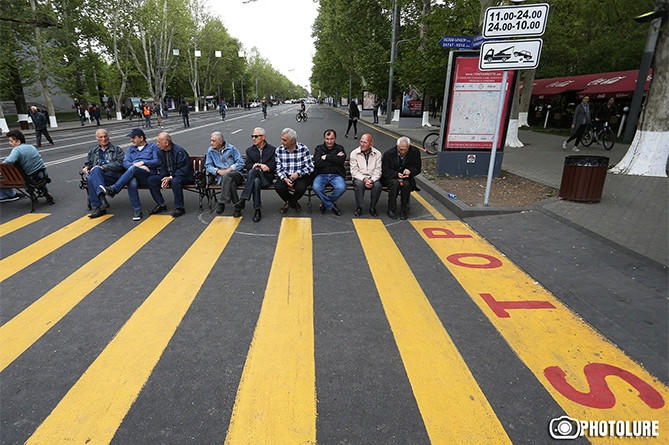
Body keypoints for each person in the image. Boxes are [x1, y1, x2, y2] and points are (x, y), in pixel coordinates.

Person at [99, 128, 160, 221]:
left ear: (141, 138)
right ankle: (137, 211)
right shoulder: (131, 149)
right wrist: (136, 165)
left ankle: (114, 189)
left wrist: (143, 162)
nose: (131, 140)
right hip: (133, 174)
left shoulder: (153, 147)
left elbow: (157, 161)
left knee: (133, 169)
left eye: (133, 138)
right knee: (132, 181)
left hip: (147, 175)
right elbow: (125, 163)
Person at [233, 127, 276, 222]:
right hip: (256, 178)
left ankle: (243, 199)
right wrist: (254, 166)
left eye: (256, 136)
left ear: (263, 137)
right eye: (252, 136)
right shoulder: (249, 150)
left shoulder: (272, 149)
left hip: (266, 179)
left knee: (253, 173)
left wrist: (266, 166)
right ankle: (257, 210)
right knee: (256, 181)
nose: (253, 138)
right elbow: (248, 165)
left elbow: (274, 165)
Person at [147, 132, 195, 217]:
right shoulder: (160, 152)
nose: (157, 144)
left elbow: (185, 169)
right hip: (169, 176)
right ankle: (161, 204)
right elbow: (162, 167)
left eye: (159, 142)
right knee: (151, 180)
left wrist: (170, 177)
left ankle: (180, 208)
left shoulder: (179, 151)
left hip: (184, 176)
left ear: (166, 143)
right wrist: (164, 177)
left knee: (175, 181)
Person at [82, 129, 125, 218]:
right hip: (99, 177)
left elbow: (121, 164)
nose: (104, 139)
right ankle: (101, 199)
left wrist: (104, 167)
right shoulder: (93, 151)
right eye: (101, 137)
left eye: (105, 136)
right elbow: (88, 164)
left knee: (93, 174)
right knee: (91, 177)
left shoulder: (116, 149)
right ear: (97, 138)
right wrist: (86, 168)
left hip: (113, 176)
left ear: (108, 137)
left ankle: (99, 206)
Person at [2, 129, 53, 204]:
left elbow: (7, 162)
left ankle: (4, 196)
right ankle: (45, 192)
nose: (10, 143)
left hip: (30, 179)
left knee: (2, 177)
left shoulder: (17, 150)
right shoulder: (31, 147)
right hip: (43, 174)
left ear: (18, 141)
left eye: (11, 141)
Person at [274, 127, 313, 214]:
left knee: (301, 188)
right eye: (282, 139)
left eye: (284, 140)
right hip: (286, 175)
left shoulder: (303, 148)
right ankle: (294, 202)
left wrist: (298, 173)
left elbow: (310, 167)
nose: (282, 142)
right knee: (279, 187)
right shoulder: (279, 150)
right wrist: (284, 178)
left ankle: (290, 203)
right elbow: (279, 168)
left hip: (299, 176)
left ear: (292, 141)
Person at [382, 136, 421, 220]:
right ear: (397, 146)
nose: (402, 152)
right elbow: (385, 170)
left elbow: (417, 168)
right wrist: (396, 174)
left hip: (407, 177)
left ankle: (404, 210)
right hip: (391, 177)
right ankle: (391, 209)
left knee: (406, 185)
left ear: (409, 147)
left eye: (405, 150)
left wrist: (410, 171)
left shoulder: (415, 152)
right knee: (394, 184)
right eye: (400, 149)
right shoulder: (388, 154)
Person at [205, 131, 244, 214]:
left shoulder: (232, 148)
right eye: (211, 140)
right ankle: (237, 208)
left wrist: (229, 169)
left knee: (227, 176)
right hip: (222, 178)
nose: (211, 143)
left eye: (213, 141)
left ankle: (222, 202)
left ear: (220, 141)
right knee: (230, 183)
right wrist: (217, 171)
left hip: (236, 175)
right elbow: (208, 165)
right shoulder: (210, 151)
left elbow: (241, 163)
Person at [312, 129, 346, 216]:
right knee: (316, 188)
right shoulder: (319, 148)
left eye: (331, 139)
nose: (329, 141)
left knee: (341, 188)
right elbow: (318, 163)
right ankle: (331, 205)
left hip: (336, 175)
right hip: (321, 175)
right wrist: (334, 158)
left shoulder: (340, 148)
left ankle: (325, 203)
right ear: (324, 139)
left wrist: (326, 157)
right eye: (327, 139)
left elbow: (341, 161)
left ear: (335, 139)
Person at [350, 133, 382, 217]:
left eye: (365, 142)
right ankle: (359, 208)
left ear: (371, 144)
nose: (362, 144)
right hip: (359, 178)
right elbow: (354, 171)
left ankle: (372, 208)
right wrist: (364, 179)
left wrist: (371, 180)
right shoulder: (354, 153)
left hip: (372, 177)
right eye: (361, 142)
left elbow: (378, 170)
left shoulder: (378, 154)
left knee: (377, 185)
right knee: (359, 184)